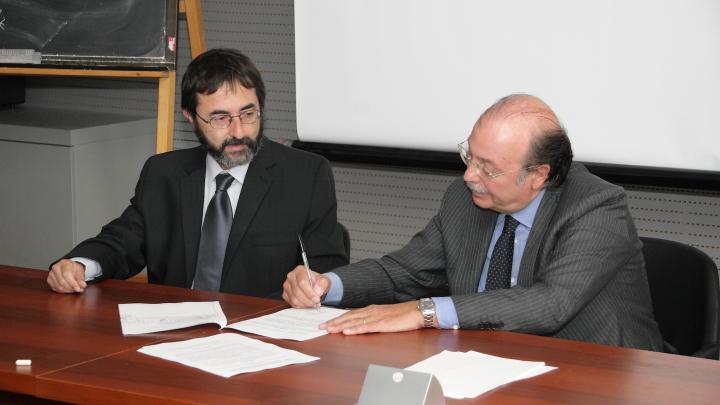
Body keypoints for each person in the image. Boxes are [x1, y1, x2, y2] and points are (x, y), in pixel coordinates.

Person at [283, 94, 663, 350]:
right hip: (483, 366)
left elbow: (550, 304)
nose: (468, 176)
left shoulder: (596, 207)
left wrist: (425, 311)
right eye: (469, 155)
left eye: (488, 168)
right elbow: (405, 272)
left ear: (538, 175)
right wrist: (327, 284)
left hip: (597, 374)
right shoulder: (464, 200)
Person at [47, 48, 348, 297]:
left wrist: (311, 285)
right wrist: (80, 264)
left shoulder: (305, 175)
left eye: (248, 113)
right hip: (174, 334)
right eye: (220, 118)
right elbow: (123, 241)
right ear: (190, 118)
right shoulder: (164, 173)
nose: (238, 131)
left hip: (260, 339)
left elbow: (326, 269)